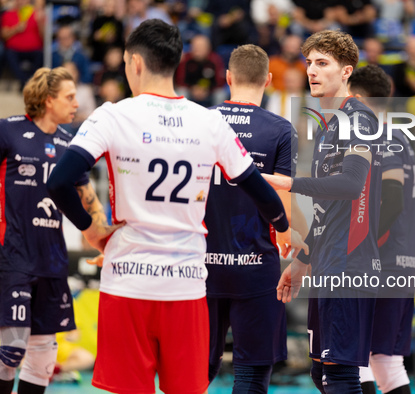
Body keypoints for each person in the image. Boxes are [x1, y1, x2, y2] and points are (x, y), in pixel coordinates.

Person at [46, 19, 299, 394]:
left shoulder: (112, 115)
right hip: (186, 285)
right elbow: (262, 191)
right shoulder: (206, 122)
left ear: (134, 63)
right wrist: (281, 226)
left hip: (128, 279)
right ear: (178, 63)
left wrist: (91, 228)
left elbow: (59, 181)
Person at [264, 30, 383, 394]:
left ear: (346, 71)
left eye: (322, 63)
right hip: (329, 261)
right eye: (309, 63)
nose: (311, 71)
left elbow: (350, 186)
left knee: (340, 375)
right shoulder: (328, 127)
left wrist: (290, 184)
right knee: (322, 373)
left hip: (352, 263)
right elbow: (325, 210)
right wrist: (303, 260)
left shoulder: (359, 120)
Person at [205, 44, 308, 393]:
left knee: (196, 368)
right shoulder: (280, 130)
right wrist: (306, 240)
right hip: (256, 264)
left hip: (199, 263)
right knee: (251, 372)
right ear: (268, 79)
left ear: (228, 77)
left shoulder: (200, 121)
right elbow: (282, 197)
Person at [0, 67, 106, 394]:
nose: (77, 104)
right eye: (70, 97)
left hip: (53, 261)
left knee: (44, 357)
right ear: (49, 100)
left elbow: (86, 196)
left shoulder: (69, 142)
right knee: (11, 348)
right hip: (13, 255)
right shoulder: (8, 131)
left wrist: (105, 237)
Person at [349, 65, 415, 394]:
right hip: (402, 261)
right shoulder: (399, 136)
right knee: (386, 361)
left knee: (359, 357)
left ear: (358, 97)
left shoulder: (381, 136)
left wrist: (365, 246)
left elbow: (391, 201)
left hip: (383, 261)